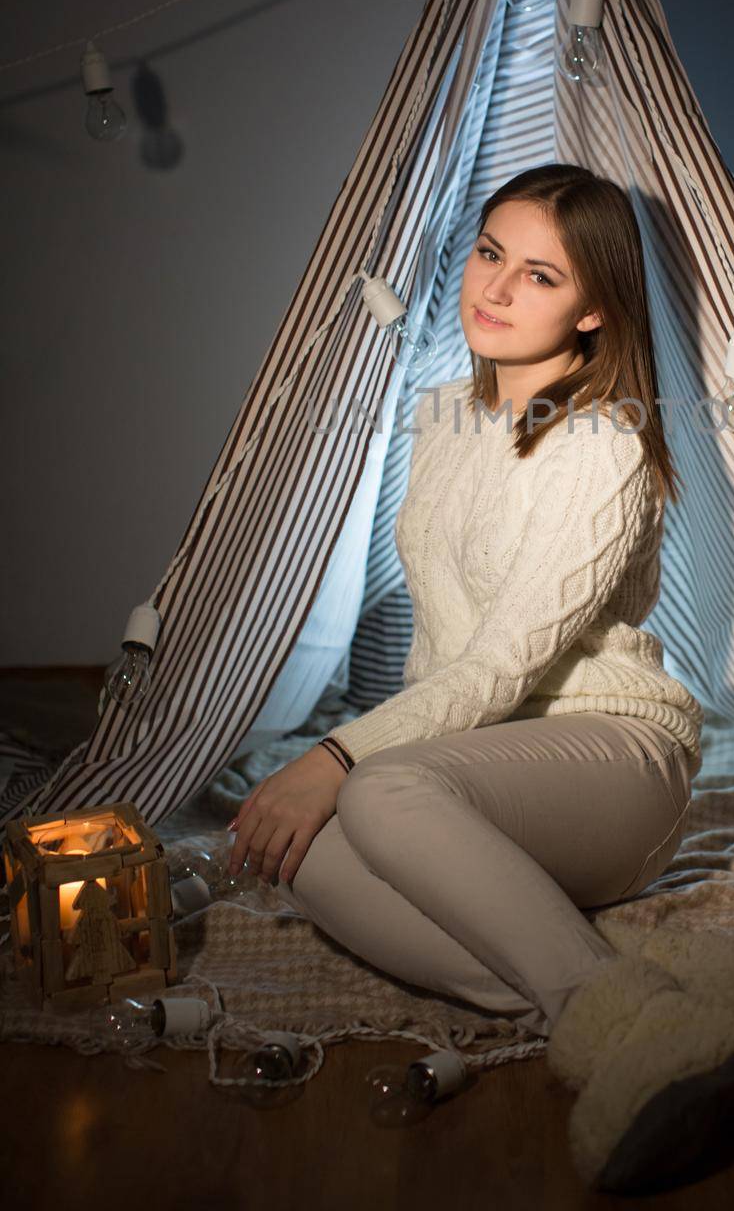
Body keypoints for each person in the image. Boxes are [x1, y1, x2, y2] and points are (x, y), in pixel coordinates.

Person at [227, 162, 705, 1037]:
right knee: (299, 853)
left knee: (373, 791)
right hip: (482, 771)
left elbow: (497, 663)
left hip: (611, 761)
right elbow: (442, 646)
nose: (495, 287)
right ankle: (596, 1002)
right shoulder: (443, 415)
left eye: (540, 275)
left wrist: (336, 759)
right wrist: (343, 775)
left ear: (592, 310)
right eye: (490, 253)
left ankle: (620, 1023)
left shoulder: (603, 441)